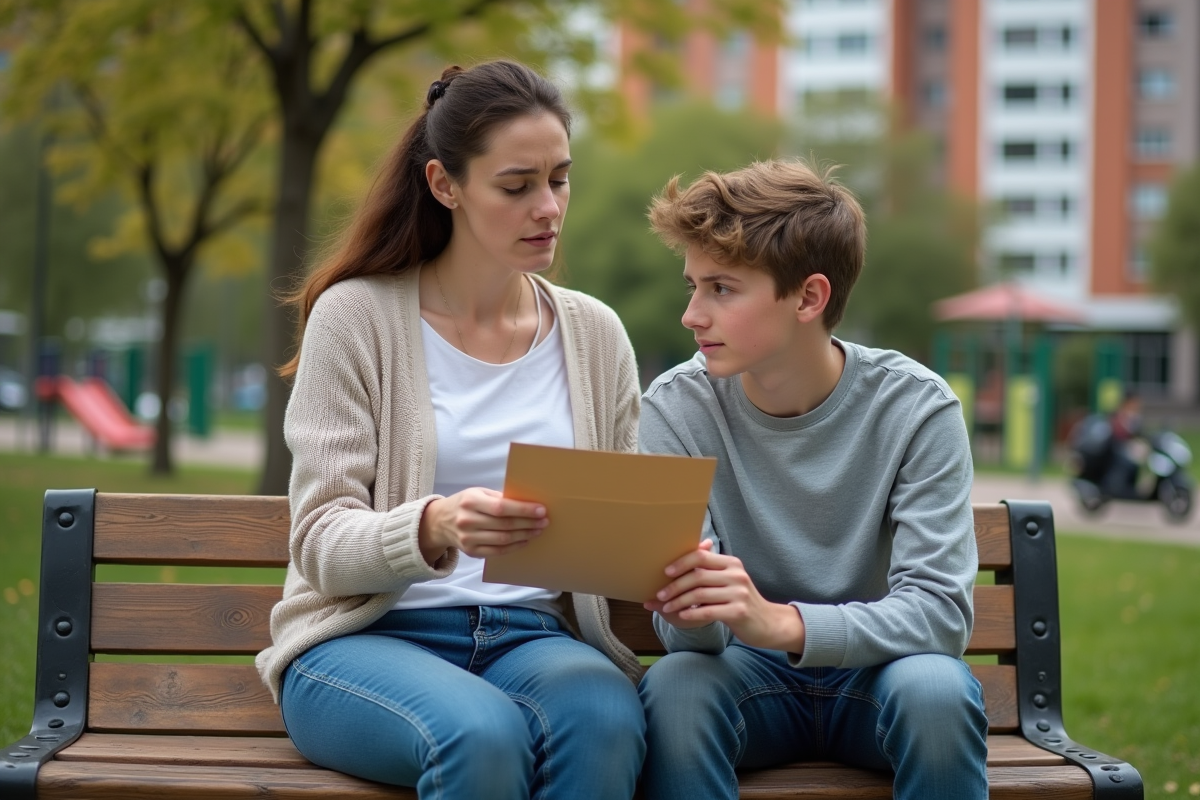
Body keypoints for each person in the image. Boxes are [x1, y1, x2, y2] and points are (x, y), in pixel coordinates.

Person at [255, 60, 646, 799]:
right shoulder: (356, 317)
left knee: (606, 716)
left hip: (532, 638)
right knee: (480, 735)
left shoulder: (595, 334)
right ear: (445, 185)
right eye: (516, 185)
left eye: (559, 179)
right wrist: (432, 526)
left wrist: (663, 552)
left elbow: (616, 530)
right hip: (365, 640)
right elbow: (319, 543)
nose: (548, 208)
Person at [635, 159, 988, 800]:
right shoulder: (676, 406)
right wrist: (688, 607)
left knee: (938, 690)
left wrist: (783, 624)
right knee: (676, 687)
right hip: (744, 678)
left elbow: (940, 615)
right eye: (692, 286)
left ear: (809, 297)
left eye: (721, 289)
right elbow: (691, 640)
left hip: (879, 679)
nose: (691, 314)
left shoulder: (917, 408)